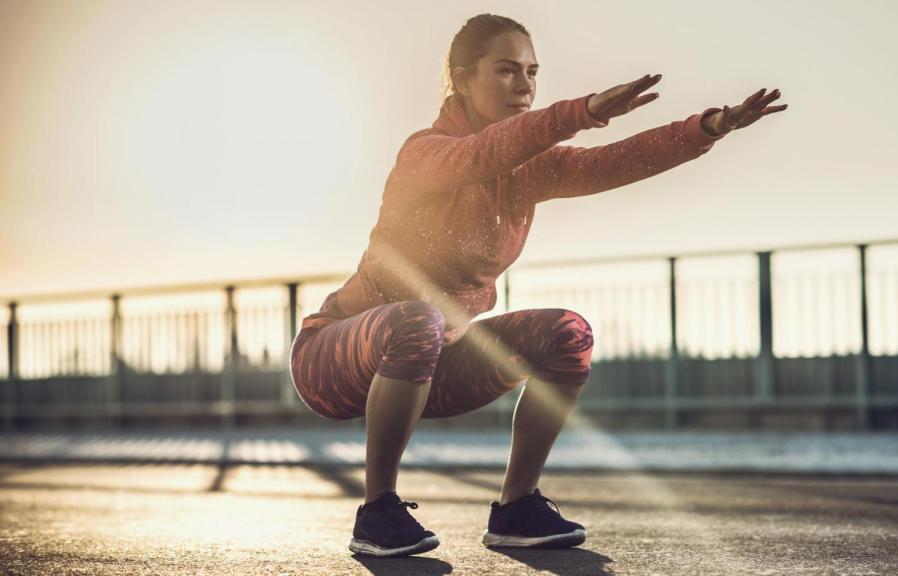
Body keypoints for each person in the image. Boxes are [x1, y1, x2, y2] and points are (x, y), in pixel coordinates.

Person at [289, 13, 787, 558]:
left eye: (532, 72)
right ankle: (376, 511)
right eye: (506, 70)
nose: (524, 85)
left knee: (568, 332)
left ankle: (517, 507)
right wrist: (580, 112)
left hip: (433, 364)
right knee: (418, 318)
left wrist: (707, 128)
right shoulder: (425, 154)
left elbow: (611, 163)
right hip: (333, 360)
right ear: (462, 80)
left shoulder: (529, 171)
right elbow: (483, 154)